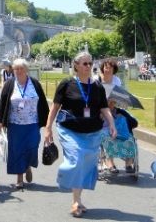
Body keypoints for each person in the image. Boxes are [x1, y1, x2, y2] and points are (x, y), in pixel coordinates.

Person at [44, 51, 116, 218]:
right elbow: (54, 108)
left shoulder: (97, 86)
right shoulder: (66, 84)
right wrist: (48, 128)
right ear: (75, 65)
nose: (88, 66)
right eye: (85, 64)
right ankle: (66, 181)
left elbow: (104, 108)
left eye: (90, 64)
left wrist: (112, 124)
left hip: (93, 132)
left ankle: (77, 199)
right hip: (70, 130)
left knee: (85, 165)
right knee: (76, 159)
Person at [0, 58, 49, 189]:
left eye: (21, 68)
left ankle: (28, 166)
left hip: (32, 123)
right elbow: (2, 103)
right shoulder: (9, 84)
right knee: (16, 150)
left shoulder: (35, 84)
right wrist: (0, 121)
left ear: (26, 70)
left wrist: (47, 121)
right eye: (16, 69)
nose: (19, 71)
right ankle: (19, 178)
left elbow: (42, 101)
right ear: (13, 70)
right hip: (15, 124)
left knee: (32, 147)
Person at [101, 98, 138, 174]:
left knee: (130, 140)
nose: (111, 104)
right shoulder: (100, 112)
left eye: (113, 102)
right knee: (108, 140)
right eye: (109, 102)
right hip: (106, 133)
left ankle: (128, 165)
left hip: (121, 133)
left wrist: (125, 118)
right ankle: (110, 164)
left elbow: (134, 123)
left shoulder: (120, 111)